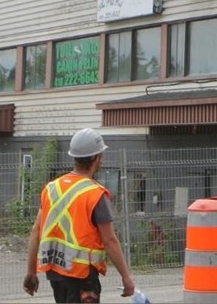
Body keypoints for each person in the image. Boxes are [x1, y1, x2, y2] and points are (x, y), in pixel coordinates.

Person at [23, 129, 137, 302]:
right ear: (97, 158)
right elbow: (109, 240)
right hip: (83, 277)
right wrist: (126, 276)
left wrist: (31, 272)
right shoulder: (95, 194)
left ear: (74, 157)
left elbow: (35, 231)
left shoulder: (51, 188)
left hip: (55, 274)